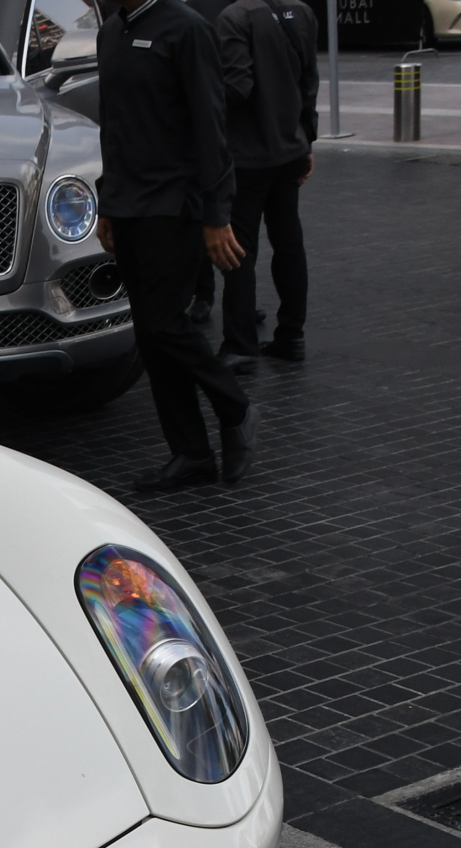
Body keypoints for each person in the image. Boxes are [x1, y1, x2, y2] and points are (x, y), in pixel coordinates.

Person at [93, 0, 255, 491]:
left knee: (165, 324)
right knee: (150, 335)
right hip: (129, 206)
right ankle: (191, 453)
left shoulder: (186, 29)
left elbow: (211, 127)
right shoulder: (113, 33)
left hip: (173, 205)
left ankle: (235, 405)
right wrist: (108, 201)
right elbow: (114, 127)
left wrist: (216, 213)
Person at [216, 0, 318, 366]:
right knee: (289, 243)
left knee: (239, 250)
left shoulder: (235, 17)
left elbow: (236, 86)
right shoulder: (301, 11)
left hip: (248, 154)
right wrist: (307, 138)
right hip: (288, 147)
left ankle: (240, 345)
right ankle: (292, 335)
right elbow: (309, 81)